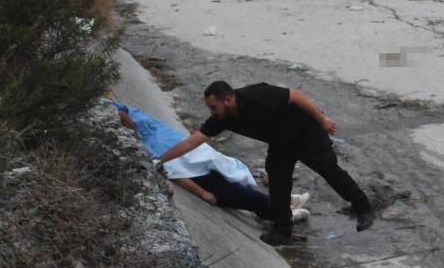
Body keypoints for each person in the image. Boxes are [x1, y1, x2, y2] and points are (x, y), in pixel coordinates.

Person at [157, 81, 375, 246]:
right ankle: (283, 231)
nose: (212, 112)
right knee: (278, 183)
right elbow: (191, 141)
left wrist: (322, 120)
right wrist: (160, 160)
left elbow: (296, 96)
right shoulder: (223, 119)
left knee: (330, 171)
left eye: (213, 107)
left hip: (307, 134)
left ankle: (363, 208)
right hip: (281, 144)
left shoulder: (256, 95)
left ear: (228, 100)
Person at [113, 101, 310, 224]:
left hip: (196, 157)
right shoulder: (140, 135)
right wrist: (204, 194)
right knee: (239, 194)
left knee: (237, 184)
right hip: (194, 169)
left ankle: (281, 203)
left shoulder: (133, 117)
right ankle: (282, 213)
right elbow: (169, 172)